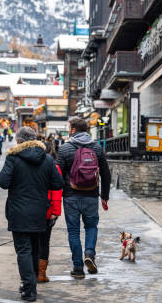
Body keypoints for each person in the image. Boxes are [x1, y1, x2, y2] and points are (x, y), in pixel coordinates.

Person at [0, 127, 63, 302]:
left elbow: (2, 182)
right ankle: (30, 284)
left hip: (18, 212)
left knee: (24, 251)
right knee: (35, 249)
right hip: (40, 212)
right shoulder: (47, 159)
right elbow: (58, 184)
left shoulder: (13, 158)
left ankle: (29, 289)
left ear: (19, 141)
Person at [56, 117, 111, 279]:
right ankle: (89, 254)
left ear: (73, 130)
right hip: (92, 195)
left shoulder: (65, 149)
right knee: (91, 227)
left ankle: (78, 268)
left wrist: (56, 197)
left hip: (71, 196)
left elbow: (57, 175)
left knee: (73, 231)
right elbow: (106, 174)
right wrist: (105, 196)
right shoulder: (96, 148)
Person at [37, 164, 63, 283]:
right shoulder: (53, 166)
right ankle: (41, 274)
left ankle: (31, 273)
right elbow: (57, 190)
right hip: (47, 211)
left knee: (30, 243)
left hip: (28, 211)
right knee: (44, 242)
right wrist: (55, 211)